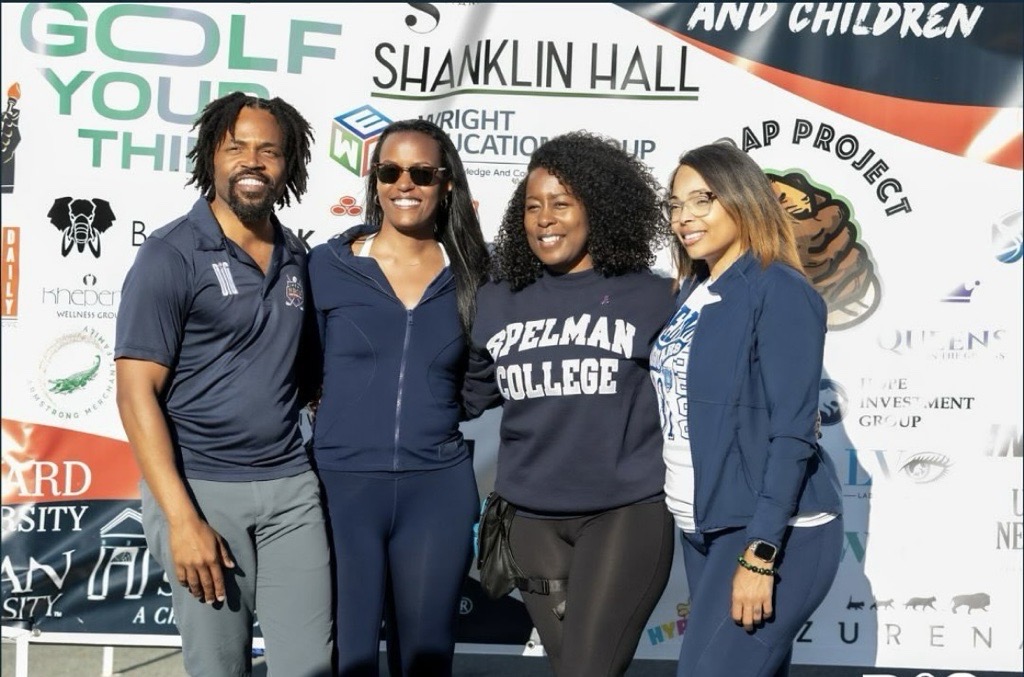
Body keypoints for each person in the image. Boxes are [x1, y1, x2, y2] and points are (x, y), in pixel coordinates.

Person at [114, 92, 331, 676]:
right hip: (202, 493)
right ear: (211, 156)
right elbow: (136, 395)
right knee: (218, 667)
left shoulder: (297, 255)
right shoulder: (170, 254)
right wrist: (183, 521)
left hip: (291, 489)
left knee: (309, 666)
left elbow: (306, 372)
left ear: (289, 165)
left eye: (269, 150)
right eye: (236, 148)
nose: (252, 161)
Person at [462, 131, 676, 677]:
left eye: (561, 203)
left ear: (598, 210)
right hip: (530, 523)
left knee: (587, 670)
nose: (544, 219)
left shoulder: (652, 296)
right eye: (533, 206)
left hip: (623, 514)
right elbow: (466, 396)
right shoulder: (498, 300)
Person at [650, 141, 844, 677]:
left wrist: (760, 553)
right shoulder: (695, 288)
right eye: (675, 204)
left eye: (702, 199)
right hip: (703, 523)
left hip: (768, 532)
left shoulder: (778, 288)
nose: (684, 217)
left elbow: (791, 432)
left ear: (742, 199)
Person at [307, 118, 489, 676]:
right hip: (343, 486)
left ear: (447, 183)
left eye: (421, 173)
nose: (404, 184)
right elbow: (304, 364)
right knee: (350, 657)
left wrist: (432, 413)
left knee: (426, 659)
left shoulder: (475, 274)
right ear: (375, 180)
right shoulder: (329, 266)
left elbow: (484, 372)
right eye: (390, 171)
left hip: (436, 488)